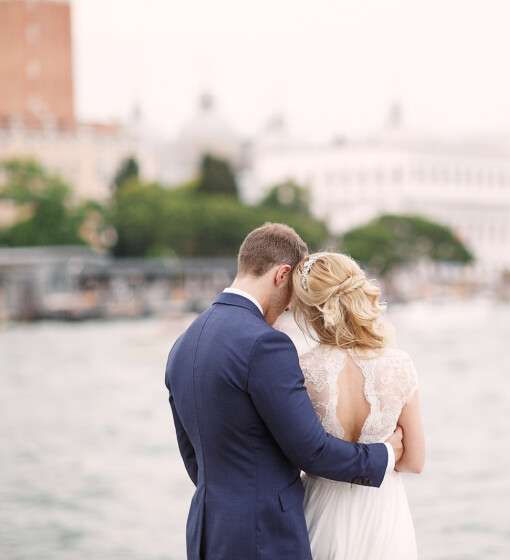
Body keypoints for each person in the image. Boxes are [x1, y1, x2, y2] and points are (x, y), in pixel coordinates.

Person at [164, 223, 404, 560]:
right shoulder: (265, 343)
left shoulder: (183, 344)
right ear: (281, 275)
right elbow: (311, 450)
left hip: (207, 531)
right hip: (264, 537)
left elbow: (193, 456)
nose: (291, 307)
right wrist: (385, 454)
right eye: (292, 292)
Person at [290, 252, 425, 560]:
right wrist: (389, 450)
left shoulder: (301, 370)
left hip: (321, 513)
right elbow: (414, 461)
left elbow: (296, 457)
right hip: (385, 518)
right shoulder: (399, 365)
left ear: (309, 310)